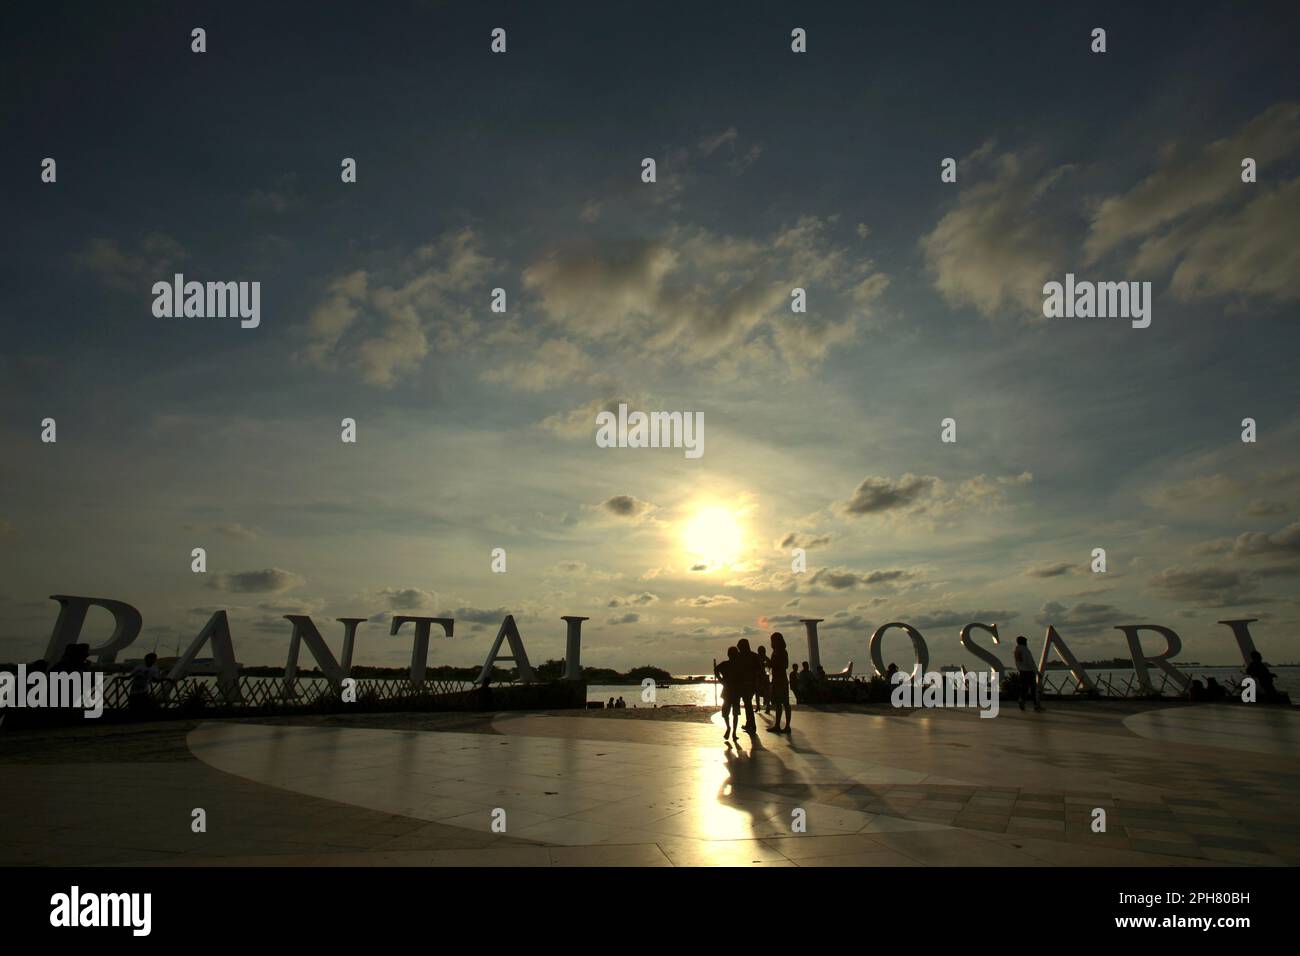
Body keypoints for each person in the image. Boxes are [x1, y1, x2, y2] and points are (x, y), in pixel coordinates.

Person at [714, 647, 741, 740]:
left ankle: (732, 731)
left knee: (733, 713)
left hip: (734, 691)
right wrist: (721, 680)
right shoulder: (727, 664)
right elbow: (716, 670)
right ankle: (731, 730)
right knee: (730, 713)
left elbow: (716, 670)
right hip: (730, 691)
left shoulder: (736, 665)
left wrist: (720, 679)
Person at [767, 632, 791, 733]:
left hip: (781, 680)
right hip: (776, 679)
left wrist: (772, 664)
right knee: (777, 703)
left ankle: (787, 726)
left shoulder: (782, 651)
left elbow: (785, 665)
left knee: (785, 703)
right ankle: (777, 725)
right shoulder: (775, 652)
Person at [735, 639, 759, 732]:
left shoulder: (741, 657)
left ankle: (751, 724)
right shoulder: (754, 656)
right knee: (747, 703)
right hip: (750, 684)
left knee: (747, 704)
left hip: (747, 684)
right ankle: (749, 723)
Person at [1013, 636, 1042, 711]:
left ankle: (1022, 701)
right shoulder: (1025, 650)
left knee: (1024, 689)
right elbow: (1030, 662)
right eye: (1026, 641)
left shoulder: (1016, 651)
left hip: (1022, 672)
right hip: (1029, 672)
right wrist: (1037, 672)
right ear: (1023, 642)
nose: (1027, 643)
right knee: (1033, 689)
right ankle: (1036, 705)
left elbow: (1017, 662)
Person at [755, 645, 771, 714]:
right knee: (759, 694)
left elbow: (767, 669)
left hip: (762, 679)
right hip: (760, 678)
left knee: (763, 694)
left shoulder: (765, 659)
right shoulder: (762, 659)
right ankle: (759, 706)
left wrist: (765, 676)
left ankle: (765, 707)